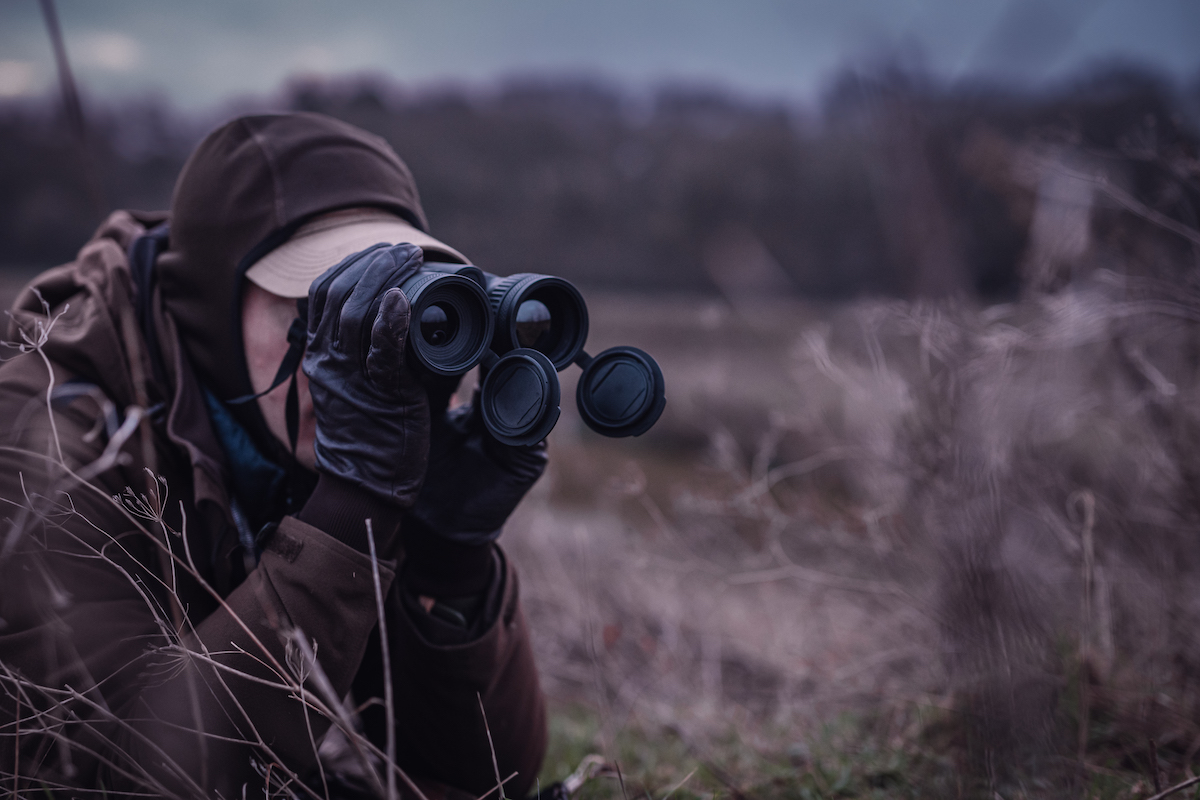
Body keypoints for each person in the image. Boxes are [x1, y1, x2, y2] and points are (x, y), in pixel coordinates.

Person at [0, 112, 547, 799]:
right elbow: (125, 779)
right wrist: (349, 511)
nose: (345, 354)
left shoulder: (304, 429)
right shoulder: (47, 433)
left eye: (378, 308)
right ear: (209, 307)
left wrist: (449, 558)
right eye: (316, 308)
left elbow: (489, 778)